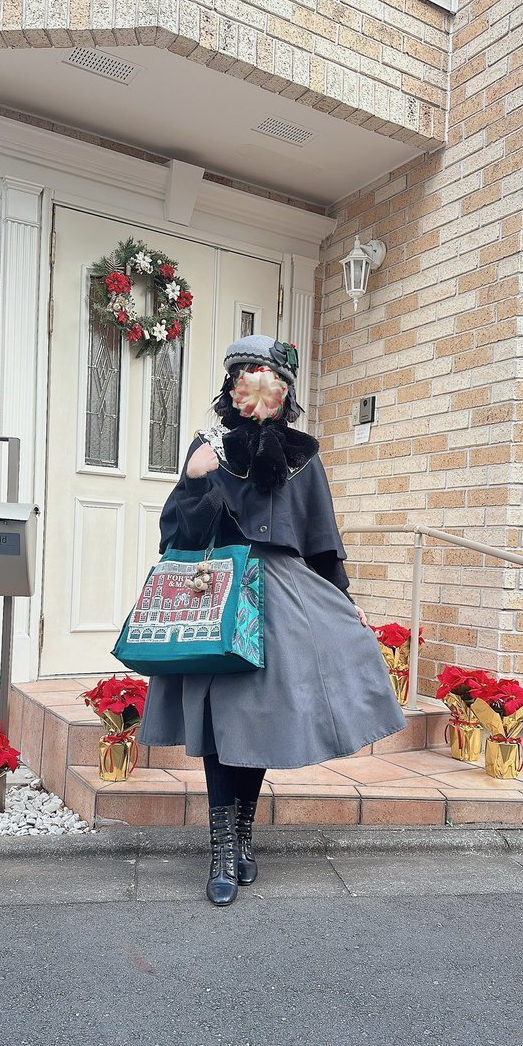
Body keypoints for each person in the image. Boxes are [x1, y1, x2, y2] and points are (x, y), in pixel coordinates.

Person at [139, 335, 407, 907]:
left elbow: (321, 538)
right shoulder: (208, 446)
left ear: (285, 391)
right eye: (248, 375)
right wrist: (196, 481)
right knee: (220, 722)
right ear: (233, 386)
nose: (259, 386)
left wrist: (344, 599)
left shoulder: (303, 456)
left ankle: (242, 835)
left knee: (259, 719)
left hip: (282, 597)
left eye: (271, 378)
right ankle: (221, 850)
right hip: (217, 592)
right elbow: (176, 536)